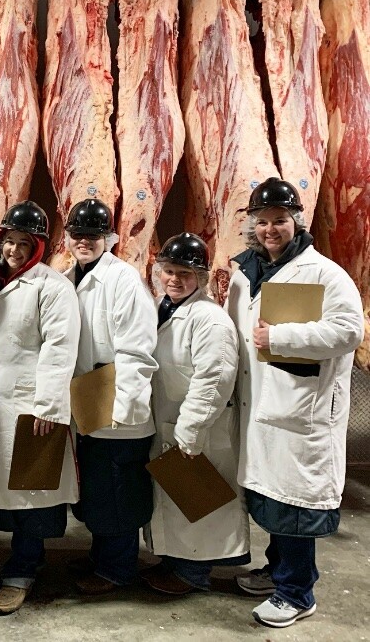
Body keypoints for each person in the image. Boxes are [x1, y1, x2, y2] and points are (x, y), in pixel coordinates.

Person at [226, 178, 364, 628]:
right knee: (270, 499)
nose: (270, 230)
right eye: (262, 222)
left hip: (303, 410)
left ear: (295, 222)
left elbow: (350, 331)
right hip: (263, 406)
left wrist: (283, 337)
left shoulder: (325, 273)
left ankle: (296, 593)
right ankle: (276, 572)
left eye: (279, 221)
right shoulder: (246, 271)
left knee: (295, 506)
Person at [0, 201, 80, 615]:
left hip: (33, 409)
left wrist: (50, 407)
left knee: (33, 493)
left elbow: (60, 348)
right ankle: (14, 560)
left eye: (24, 243)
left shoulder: (53, 287)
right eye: (9, 242)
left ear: (39, 247)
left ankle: (23, 570)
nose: (14, 251)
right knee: (6, 492)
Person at [142, 233, 250, 595]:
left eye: (184, 273)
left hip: (195, 430)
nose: (174, 279)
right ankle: (177, 563)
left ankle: (193, 574)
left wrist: (190, 432)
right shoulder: (162, 307)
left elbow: (214, 380)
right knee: (177, 502)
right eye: (168, 271)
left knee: (198, 507)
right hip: (169, 421)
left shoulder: (210, 319)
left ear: (201, 278)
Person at [63, 198, 158, 595]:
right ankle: (105, 559)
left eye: (93, 235)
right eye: (78, 235)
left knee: (118, 492)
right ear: (67, 238)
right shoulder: (68, 276)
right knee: (100, 491)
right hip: (86, 403)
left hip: (117, 406)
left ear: (109, 239)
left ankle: (117, 570)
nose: (85, 241)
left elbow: (137, 351)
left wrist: (123, 409)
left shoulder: (124, 281)